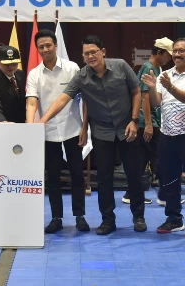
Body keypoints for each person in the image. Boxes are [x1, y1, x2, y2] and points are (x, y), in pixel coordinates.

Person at [39, 35, 147, 235]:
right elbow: (63, 99)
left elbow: (136, 91)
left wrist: (134, 120)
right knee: (104, 178)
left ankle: (138, 216)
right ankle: (108, 220)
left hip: (127, 128)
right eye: (86, 54)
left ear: (103, 52)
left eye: (93, 52)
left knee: (134, 174)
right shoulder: (81, 76)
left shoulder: (121, 66)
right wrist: (43, 120)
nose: (90, 56)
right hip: (102, 131)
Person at [143, 38, 185, 239]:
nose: (177, 54)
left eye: (182, 51)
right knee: (169, 179)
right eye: (175, 51)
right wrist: (154, 87)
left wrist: (170, 87)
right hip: (167, 135)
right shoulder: (165, 75)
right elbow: (156, 104)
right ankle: (174, 219)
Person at [26, 29, 90, 233]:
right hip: (48, 133)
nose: (45, 49)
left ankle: (80, 216)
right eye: (41, 47)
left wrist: (84, 127)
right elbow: (31, 103)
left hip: (73, 129)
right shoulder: (34, 74)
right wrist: (30, 128)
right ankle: (56, 217)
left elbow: (85, 99)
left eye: (48, 45)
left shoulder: (72, 68)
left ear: (55, 46)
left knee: (77, 174)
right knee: (52, 177)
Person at [122, 37, 173, 206]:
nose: (170, 58)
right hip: (148, 123)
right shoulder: (149, 68)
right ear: (159, 52)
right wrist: (149, 124)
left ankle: (131, 193)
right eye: (168, 55)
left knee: (142, 159)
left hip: (152, 121)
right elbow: (144, 97)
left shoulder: (156, 68)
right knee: (159, 157)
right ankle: (165, 195)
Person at [0, 45, 26, 123]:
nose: (11, 67)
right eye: (7, 64)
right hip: (5, 124)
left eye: (14, 63)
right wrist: (3, 122)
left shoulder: (21, 74)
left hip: (24, 123)